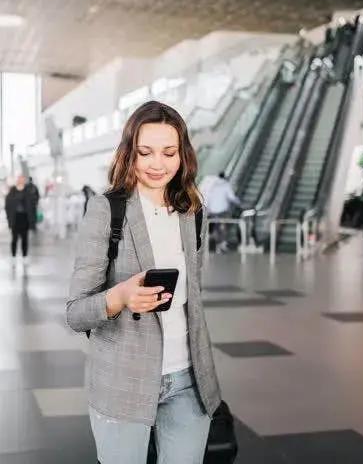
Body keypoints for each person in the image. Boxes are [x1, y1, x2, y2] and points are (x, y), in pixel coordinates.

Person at [66, 101, 221, 464]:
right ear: (129, 153)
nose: (157, 164)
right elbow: (76, 314)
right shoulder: (107, 209)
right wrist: (119, 297)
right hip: (123, 380)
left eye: (169, 152)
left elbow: (192, 300)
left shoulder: (193, 212)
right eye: (145, 152)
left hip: (188, 380)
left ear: (183, 155)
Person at [199, 172, 240, 252]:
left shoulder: (212, 185)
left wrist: (208, 209)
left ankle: (214, 243)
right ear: (225, 178)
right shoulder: (226, 185)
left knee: (214, 226)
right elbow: (232, 198)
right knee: (223, 226)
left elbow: (208, 197)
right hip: (222, 211)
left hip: (212, 211)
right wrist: (239, 202)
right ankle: (222, 243)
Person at [5, 175, 35, 265]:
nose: (20, 181)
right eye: (19, 179)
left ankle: (25, 256)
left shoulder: (27, 191)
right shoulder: (12, 191)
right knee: (14, 238)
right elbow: (8, 204)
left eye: (22, 179)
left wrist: (32, 219)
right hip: (15, 218)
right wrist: (8, 217)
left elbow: (31, 205)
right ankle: (13, 256)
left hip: (24, 218)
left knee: (25, 238)